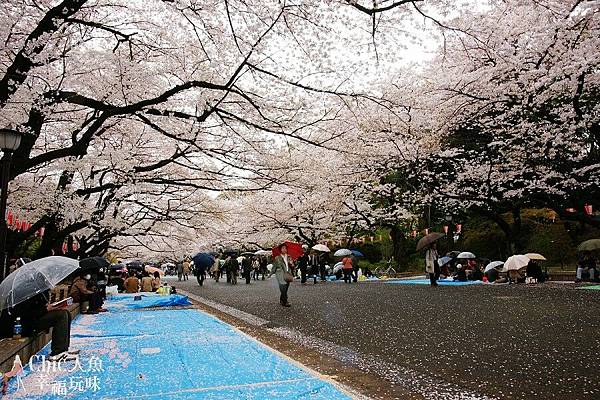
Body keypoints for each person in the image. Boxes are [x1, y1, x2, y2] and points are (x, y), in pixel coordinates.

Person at [0, 291, 78, 362]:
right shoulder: (22, 292)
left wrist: (52, 306)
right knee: (61, 315)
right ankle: (57, 353)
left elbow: (37, 307)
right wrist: (46, 308)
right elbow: (26, 314)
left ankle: (64, 348)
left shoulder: (38, 290)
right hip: (20, 326)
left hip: (31, 320)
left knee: (66, 312)